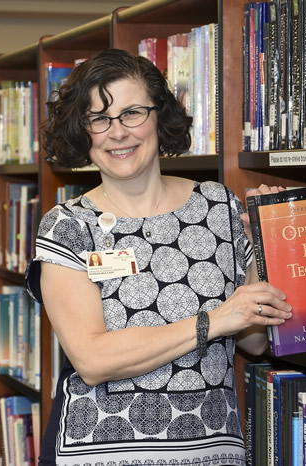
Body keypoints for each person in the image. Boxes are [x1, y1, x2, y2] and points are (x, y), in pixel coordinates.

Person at [25, 48, 292, 466]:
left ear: (159, 117)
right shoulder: (68, 225)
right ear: (84, 132)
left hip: (212, 449)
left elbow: (254, 342)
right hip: (101, 453)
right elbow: (93, 361)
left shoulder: (218, 204)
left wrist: (263, 240)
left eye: (133, 112)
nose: (118, 132)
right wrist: (214, 320)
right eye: (99, 119)